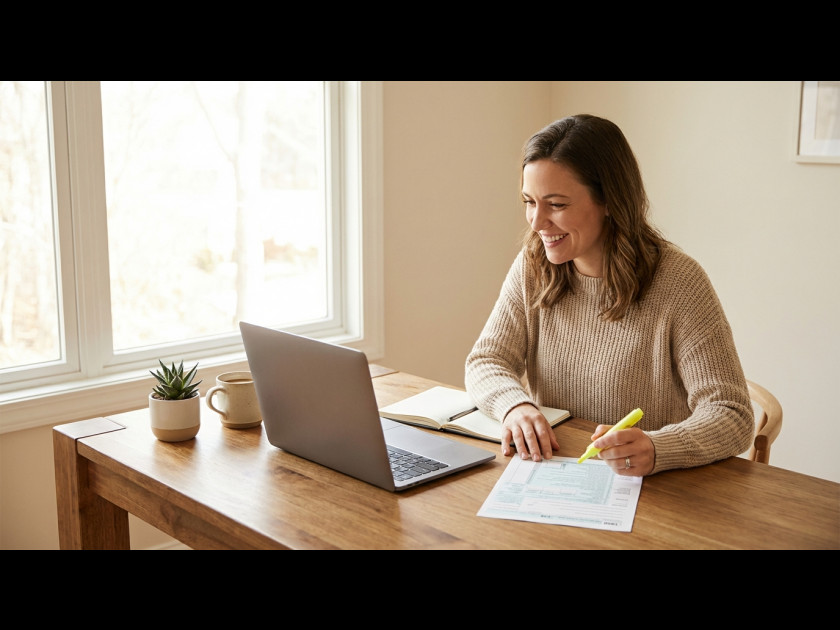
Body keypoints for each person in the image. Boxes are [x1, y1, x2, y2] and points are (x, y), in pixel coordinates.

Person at [464, 114, 754, 477]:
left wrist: (657, 446)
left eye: (556, 204)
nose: (536, 223)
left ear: (609, 201)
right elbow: (486, 361)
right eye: (529, 201)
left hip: (654, 493)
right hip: (553, 475)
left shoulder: (679, 282)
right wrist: (514, 406)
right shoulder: (533, 264)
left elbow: (732, 414)